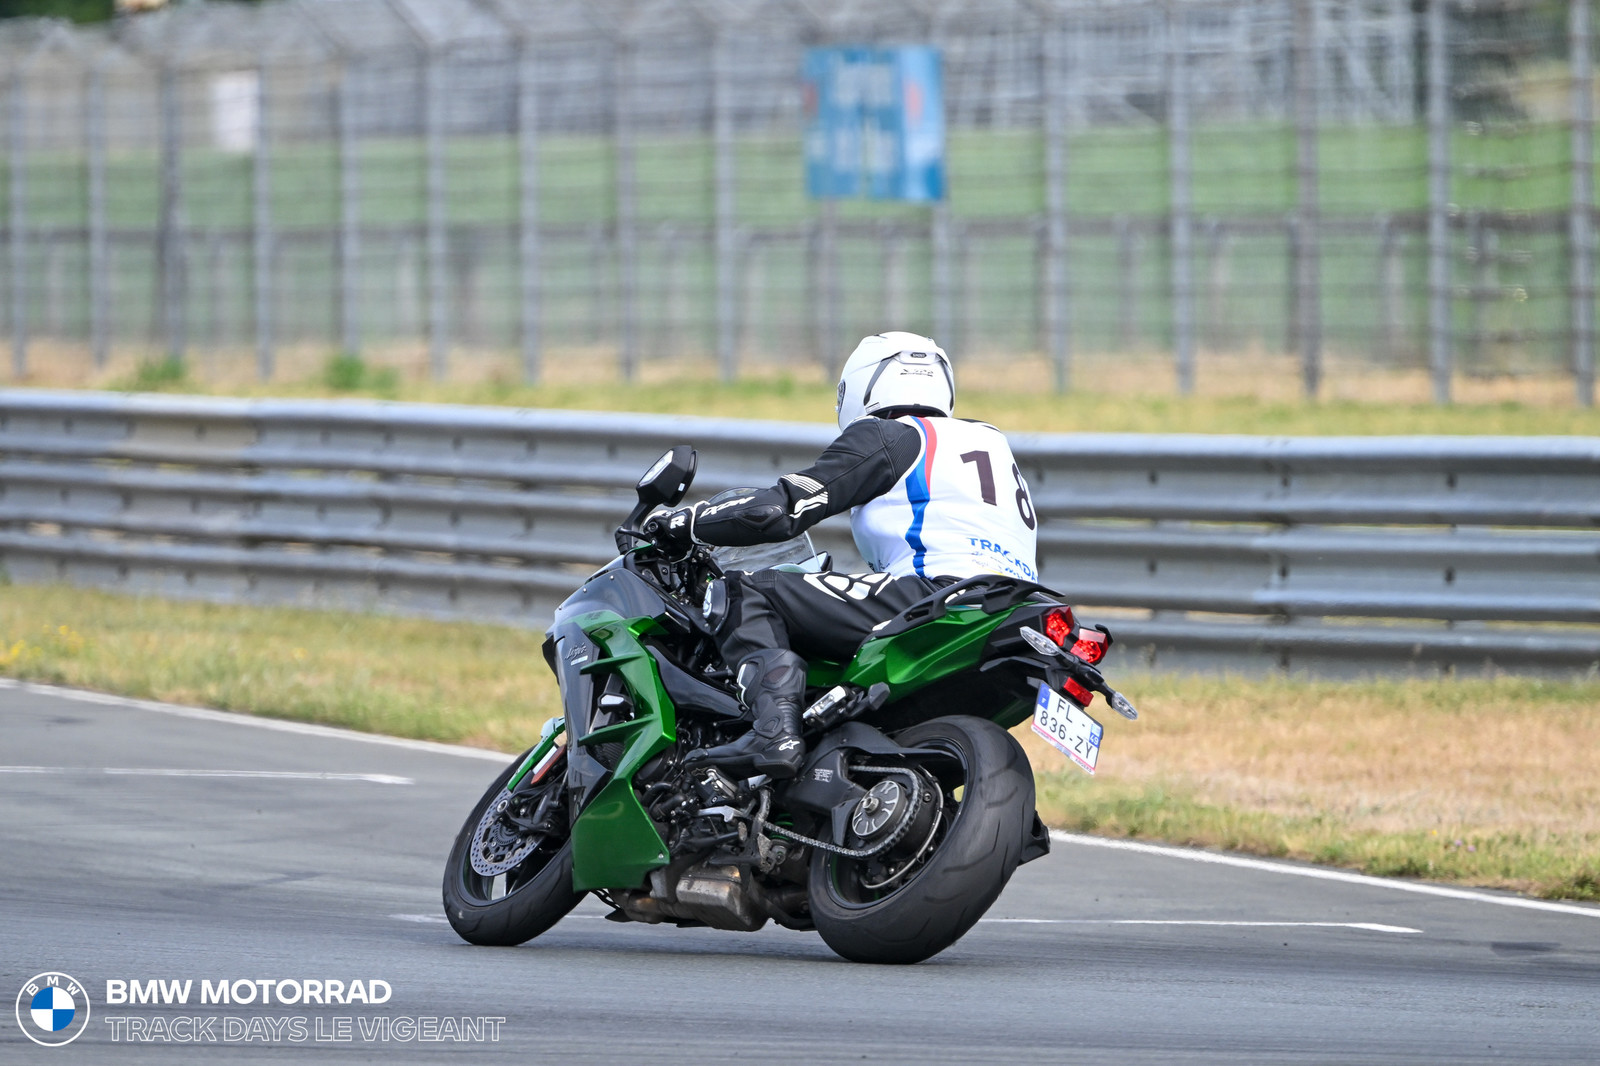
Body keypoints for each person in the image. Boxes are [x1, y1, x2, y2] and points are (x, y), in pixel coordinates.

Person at [647, 332, 1039, 779]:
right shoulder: (990, 442)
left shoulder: (891, 435)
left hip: (940, 593)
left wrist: (689, 521)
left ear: (863, 385)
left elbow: (778, 510)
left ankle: (773, 733)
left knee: (744, 591)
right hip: (1017, 602)